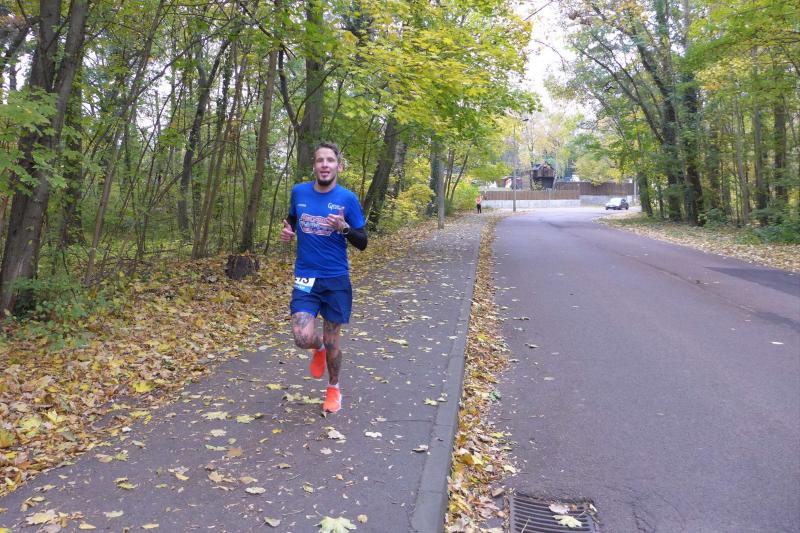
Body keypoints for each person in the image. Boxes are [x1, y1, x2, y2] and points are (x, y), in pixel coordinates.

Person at [280, 142, 368, 414]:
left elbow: (363, 242)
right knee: (301, 336)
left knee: (333, 342)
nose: (325, 165)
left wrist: (344, 228)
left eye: (330, 160)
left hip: (335, 280)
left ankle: (333, 388)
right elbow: (292, 219)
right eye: (320, 160)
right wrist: (288, 232)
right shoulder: (299, 191)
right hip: (306, 278)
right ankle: (316, 348)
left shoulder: (347, 199)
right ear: (314, 166)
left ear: (338, 166)